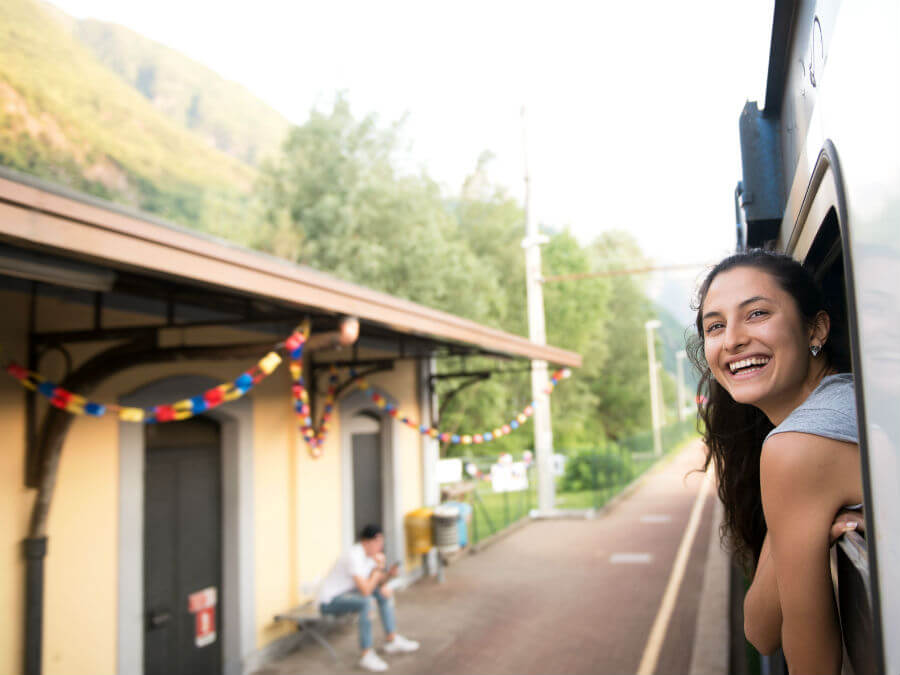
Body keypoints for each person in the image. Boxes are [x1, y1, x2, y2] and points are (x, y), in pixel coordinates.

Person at [688, 249, 863, 674]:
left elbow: (814, 667)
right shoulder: (832, 409)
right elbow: (760, 629)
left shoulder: (800, 444)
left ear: (815, 328)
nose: (732, 340)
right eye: (716, 326)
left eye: (757, 314)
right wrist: (797, 532)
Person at [317, 524, 420, 672]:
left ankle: (392, 639)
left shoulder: (370, 557)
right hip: (329, 601)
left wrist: (388, 574)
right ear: (366, 541)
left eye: (381, 542)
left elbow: (376, 583)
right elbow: (365, 590)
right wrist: (378, 569)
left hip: (348, 594)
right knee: (367, 602)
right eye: (378, 542)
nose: (380, 546)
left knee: (383, 593)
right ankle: (366, 654)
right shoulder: (354, 556)